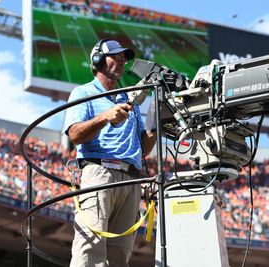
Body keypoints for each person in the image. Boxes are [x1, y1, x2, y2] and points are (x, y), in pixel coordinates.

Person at [64, 39, 157, 267]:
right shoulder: (83, 92)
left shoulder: (130, 100)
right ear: (97, 60)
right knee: (89, 249)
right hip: (100, 173)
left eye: (124, 58)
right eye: (115, 56)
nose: (121, 61)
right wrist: (105, 116)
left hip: (131, 179)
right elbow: (74, 134)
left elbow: (142, 149)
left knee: (119, 256)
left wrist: (156, 127)